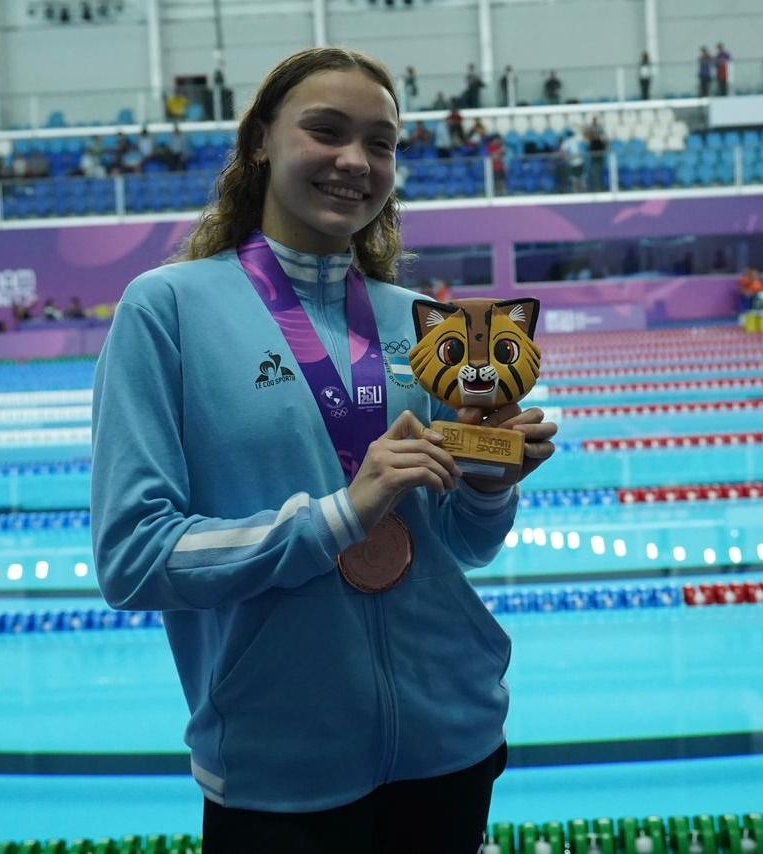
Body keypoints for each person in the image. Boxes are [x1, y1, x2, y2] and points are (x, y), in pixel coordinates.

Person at [90, 46, 557, 854]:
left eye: (381, 143)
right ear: (261, 141)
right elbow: (133, 559)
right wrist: (340, 515)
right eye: (326, 131)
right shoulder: (166, 309)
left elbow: (462, 549)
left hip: (454, 740)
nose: (355, 161)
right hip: (280, 767)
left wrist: (488, 482)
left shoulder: (425, 323)